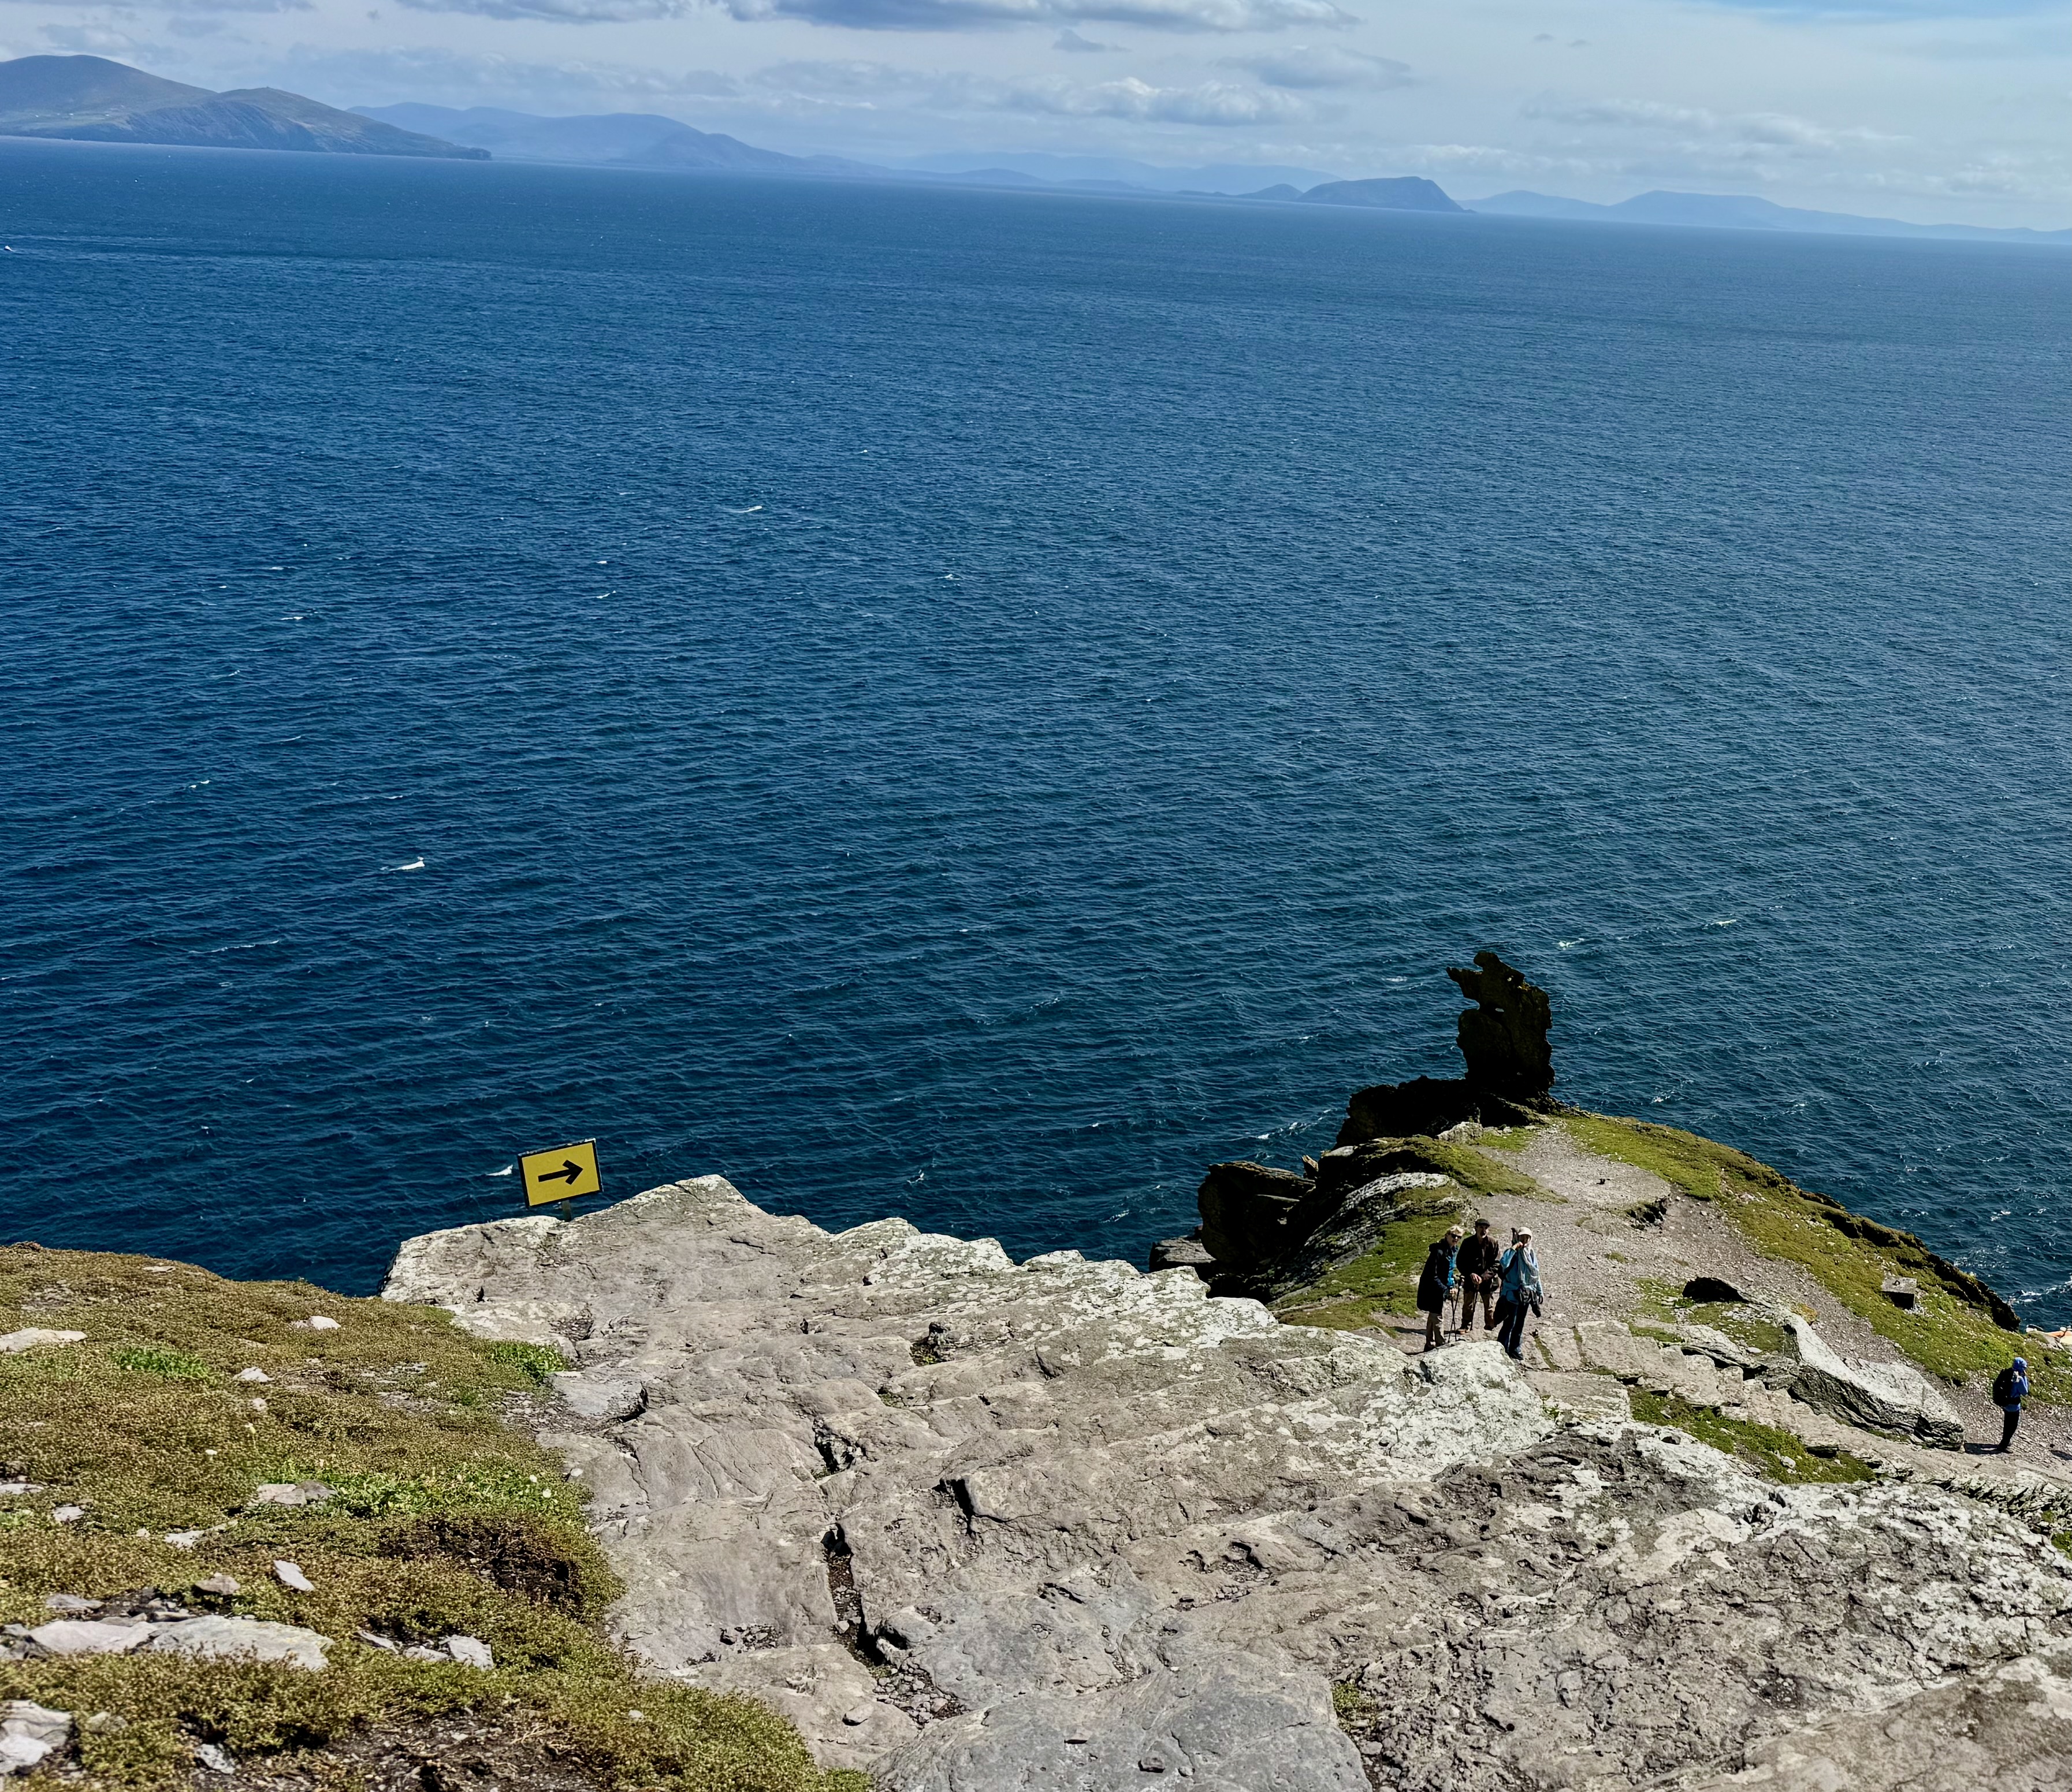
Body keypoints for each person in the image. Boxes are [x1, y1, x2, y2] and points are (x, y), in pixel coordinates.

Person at [1495, 1228, 1542, 1361]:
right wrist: (1514, 1248)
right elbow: (1504, 1263)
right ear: (1518, 1238)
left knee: (1520, 1323)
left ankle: (1515, 1349)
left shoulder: (1530, 1253)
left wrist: (1540, 1291)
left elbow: (1535, 1273)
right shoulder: (1512, 1253)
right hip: (1512, 1293)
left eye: (1527, 1237)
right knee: (1510, 1322)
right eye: (1522, 1237)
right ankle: (1502, 1348)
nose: (1525, 1240)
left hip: (1526, 1293)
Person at [1416, 1227, 1463, 1353]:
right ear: (1447, 1235)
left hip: (1440, 1287)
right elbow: (1432, 1275)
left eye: (1459, 1237)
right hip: (1433, 1288)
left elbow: (1448, 1271)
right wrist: (1445, 1289)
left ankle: (1429, 1344)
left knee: (1434, 1315)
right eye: (1454, 1236)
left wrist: (1452, 1283)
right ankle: (1440, 1345)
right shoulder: (1438, 1252)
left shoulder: (1452, 1250)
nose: (1456, 1239)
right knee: (1438, 1316)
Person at [1455, 1219, 1501, 1334]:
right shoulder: (1467, 1243)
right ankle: (1466, 1325)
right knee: (1468, 1304)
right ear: (1476, 1228)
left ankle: (1490, 1327)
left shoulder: (1493, 1243)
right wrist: (1470, 1273)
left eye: (1486, 1228)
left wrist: (1484, 1277)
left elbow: (1497, 1264)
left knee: (1489, 1306)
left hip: (1487, 1281)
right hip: (1470, 1279)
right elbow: (1460, 1262)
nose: (1483, 1230)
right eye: (1481, 1228)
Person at [1991, 1357, 2029, 1453]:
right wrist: (2025, 1377)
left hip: (2005, 1402)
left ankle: (2005, 1440)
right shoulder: (2019, 1378)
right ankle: (2004, 1445)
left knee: (2007, 1423)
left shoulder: (2008, 1372)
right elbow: (2025, 1392)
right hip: (2014, 1406)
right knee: (2012, 1426)